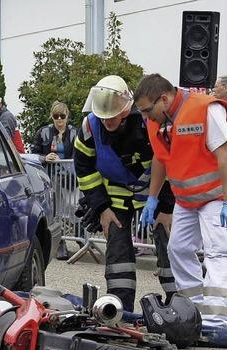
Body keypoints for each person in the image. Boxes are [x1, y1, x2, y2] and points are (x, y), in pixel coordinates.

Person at [135, 73, 227, 328]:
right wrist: (152, 199)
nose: (146, 117)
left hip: (217, 195)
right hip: (186, 199)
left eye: (148, 110)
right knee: (178, 249)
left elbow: (224, 156)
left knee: (218, 252)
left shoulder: (205, 109)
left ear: (164, 99)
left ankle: (215, 320)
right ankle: (194, 312)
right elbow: (161, 158)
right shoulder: (155, 121)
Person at [73, 75, 175, 312]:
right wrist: (101, 208)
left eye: (113, 116)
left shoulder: (147, 122)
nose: (107, 121)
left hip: (155, 193)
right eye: (103, 116)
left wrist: (167, 207)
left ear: (127, 110)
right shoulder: (90, 127)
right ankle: (119, 309)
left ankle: (177, 306)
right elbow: (84, 170)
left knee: (167, 241)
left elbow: (169, 162)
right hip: (114, 198)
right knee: (118, 249)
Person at [31, 101, 79, 260]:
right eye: (56, 116)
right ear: (51, 116)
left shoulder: (74, 133)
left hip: (69, 178)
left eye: (62, 116)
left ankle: (81, 238)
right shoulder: (43, 132)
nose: (59, 119)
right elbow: (34, 154)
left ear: (67, 116)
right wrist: (46, 157)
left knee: (74, 207)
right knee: (56, 212)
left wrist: (68, 166)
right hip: (50, 178)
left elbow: (78, 155)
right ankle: (60, 244)